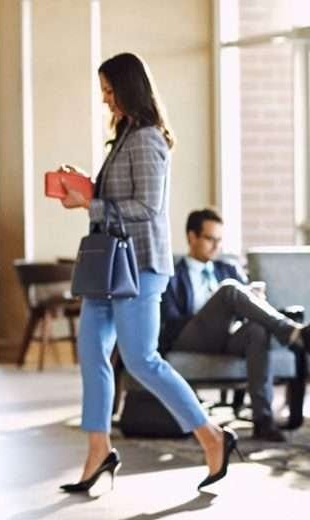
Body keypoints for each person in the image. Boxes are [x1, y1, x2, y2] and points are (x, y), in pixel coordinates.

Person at [57, 52, 239, 493]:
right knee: (93, 354)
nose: (104, 99)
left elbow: (148, 208)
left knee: (141, 360)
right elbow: (122, 198)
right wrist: (88, 186)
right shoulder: (124, 136)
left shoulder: (148, 139)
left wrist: (91, 204)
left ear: (128, 88)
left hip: (139, 268)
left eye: (109, 89)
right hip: (109, 267)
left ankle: (210, 435)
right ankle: (98, 449)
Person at [161, 208, 308, 441]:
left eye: (219, 240)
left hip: (228, 336)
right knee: (229, 289)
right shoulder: (172, 274)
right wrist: (211, 313)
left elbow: (247, 309)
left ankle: (263, 420)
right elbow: (170, 320)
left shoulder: (227, 268)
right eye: (210, 239)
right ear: (192, 237)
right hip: (190, 336)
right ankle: (290, 332)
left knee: (258, 330)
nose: (215, 246)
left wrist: (257, 300)